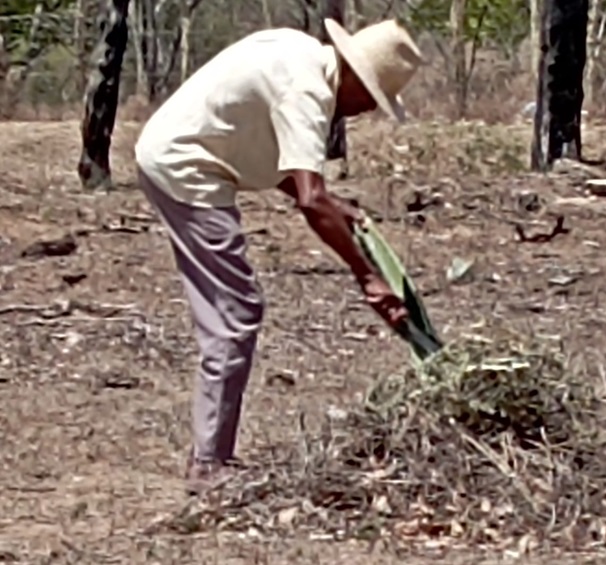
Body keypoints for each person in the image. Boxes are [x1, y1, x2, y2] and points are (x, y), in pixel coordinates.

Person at [134, 17, 424, 495]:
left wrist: (337, 206)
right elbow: (310, 199)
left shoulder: (298, 51)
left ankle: (211, 455)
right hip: (186, 170)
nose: (364, 110)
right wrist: (367, 276)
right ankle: (208, 464)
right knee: (235, 311)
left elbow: (293, 171)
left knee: (233, 309)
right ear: (352, 77)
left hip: (175, 154)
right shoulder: (308, 93)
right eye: (370, 98)